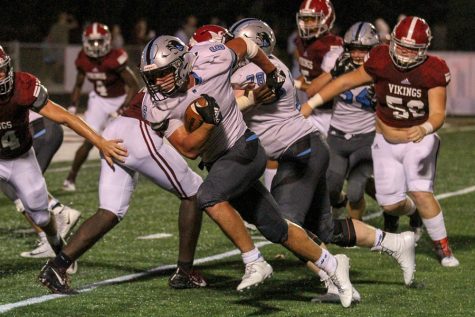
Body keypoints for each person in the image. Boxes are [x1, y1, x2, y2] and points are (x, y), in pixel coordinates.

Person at [138, 35, 354, 307]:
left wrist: (270, 70)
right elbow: (187, 148)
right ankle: (334, 265)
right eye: (152, 77)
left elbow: (245, 44)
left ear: (181, 65)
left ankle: (254, 262)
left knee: (207, 196)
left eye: (162, 74)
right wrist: (207, 124)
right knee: (276, 229)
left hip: (245, 148)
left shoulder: (210, 59)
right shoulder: (153, 104)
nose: (156, 83)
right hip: (219, 162)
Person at [228, 19, 415, 300]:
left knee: (285, 226)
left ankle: (333, 274)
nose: (230, 50)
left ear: (254, 45)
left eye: (236, 43)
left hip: (300, 153)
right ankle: (394, 242)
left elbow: (230, 105)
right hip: (307, 149)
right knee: (323, 228)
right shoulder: (268, 66)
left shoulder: (257, 72)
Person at [300, 16, 459, 267]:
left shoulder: (433, 69)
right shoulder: (381, 59)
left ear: (423, 50)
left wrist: (425, 127)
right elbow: (344, 82)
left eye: (412, 49)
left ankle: (443, 248)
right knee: (391, 203)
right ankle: (414, 213)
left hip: (419, 137)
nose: (405, 53)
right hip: (385, 137)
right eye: (402, 46)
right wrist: (311, 103)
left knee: (420, 190)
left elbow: (438, 112)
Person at [38, 88, 207, 293]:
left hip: (115, 129)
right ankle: (185, 271)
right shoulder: (193, 75)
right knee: (193, 192)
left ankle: (57, 267)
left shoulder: (166, 71)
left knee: (110, 211)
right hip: (139, 133)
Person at [0, 45, 126, 273]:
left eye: (1, 70)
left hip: (21, 159)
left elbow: (66, 118)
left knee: (40, 216)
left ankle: (55, 241)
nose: (0, 77)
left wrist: (100, 141)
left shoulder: (23, 86)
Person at [63, 22, 139, 192]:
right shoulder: (83, 59)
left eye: (99, 41)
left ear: (107, 40)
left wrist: (123, 108)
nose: (96, 46)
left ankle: (129, 176)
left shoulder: (116, 57)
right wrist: (73, 106)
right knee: (90, 139)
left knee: (124, 142)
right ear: (85, 41)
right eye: (92, 42)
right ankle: (71, 177)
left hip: (120, 99)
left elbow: (134, 85)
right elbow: (78, 84)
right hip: (98, 101)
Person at [0, 110, 81, 258]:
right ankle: (46, 238)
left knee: (20, 186)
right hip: (29, 133)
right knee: (10, 186)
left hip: (39, 130)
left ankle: (59, 211)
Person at [294, 0, 343, 137]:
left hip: (331, 112)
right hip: (312, 107)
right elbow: (307, 73)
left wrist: (295, 84)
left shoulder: (332, 46)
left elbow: (323, 87)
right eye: (304, 19)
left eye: (311, 19)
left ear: (326, 19)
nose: (306, 24)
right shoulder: (301, 41)